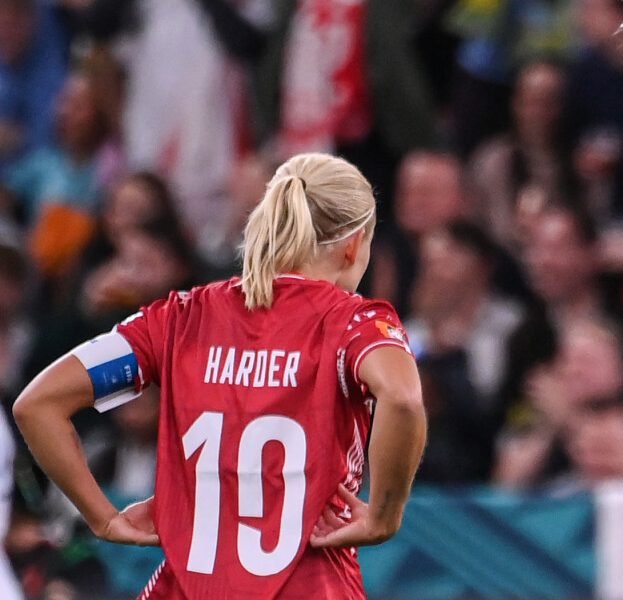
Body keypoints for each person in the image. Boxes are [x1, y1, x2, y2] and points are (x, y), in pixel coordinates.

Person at [11, 153, 428, 599]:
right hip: (311, 586)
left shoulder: (179, 317)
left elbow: (37, 403)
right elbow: (402, 398)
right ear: (354, 243)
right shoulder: (354, 323)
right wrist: (385, 514)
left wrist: (104, 517)